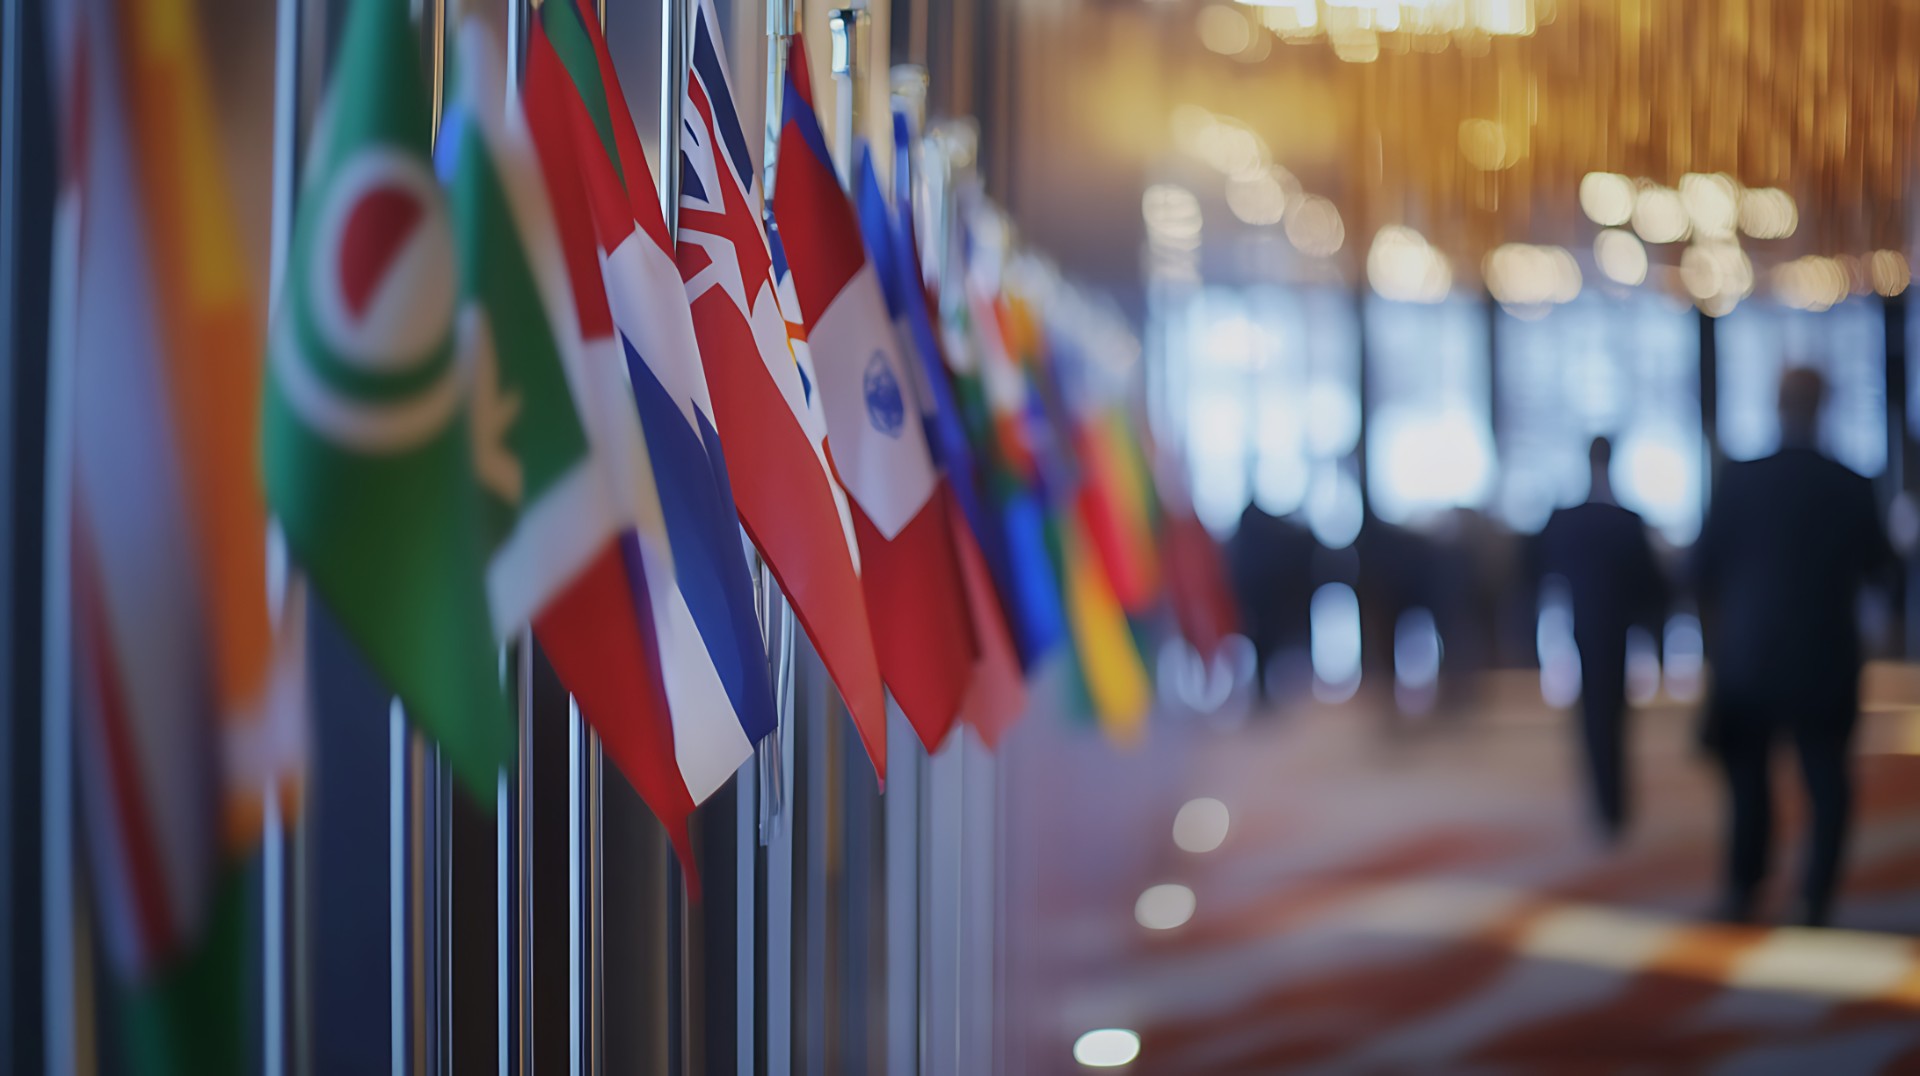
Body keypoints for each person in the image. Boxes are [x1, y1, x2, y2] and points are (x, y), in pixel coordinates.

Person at [1693, 367, 1893, 927]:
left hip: (1750, 657)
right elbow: (1881, 570)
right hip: (1825, 660)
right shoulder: (1851, 483)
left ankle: (1743, 889)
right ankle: (1816, 897)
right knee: (1826, 782)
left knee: (1747, 786)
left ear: (1777, 405)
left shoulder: (1739, 479)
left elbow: (1702, 570)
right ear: (1823, 406)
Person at [1537, 436, 1669, 842]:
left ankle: (1604, 802)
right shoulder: (1626, 520)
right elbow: (1651, 584)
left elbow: (1542, 570)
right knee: (1613, 715)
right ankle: (1613, 804)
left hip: (1584, 628)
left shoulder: (1567, 519)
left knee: (1593, 715)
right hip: (1617, 631)